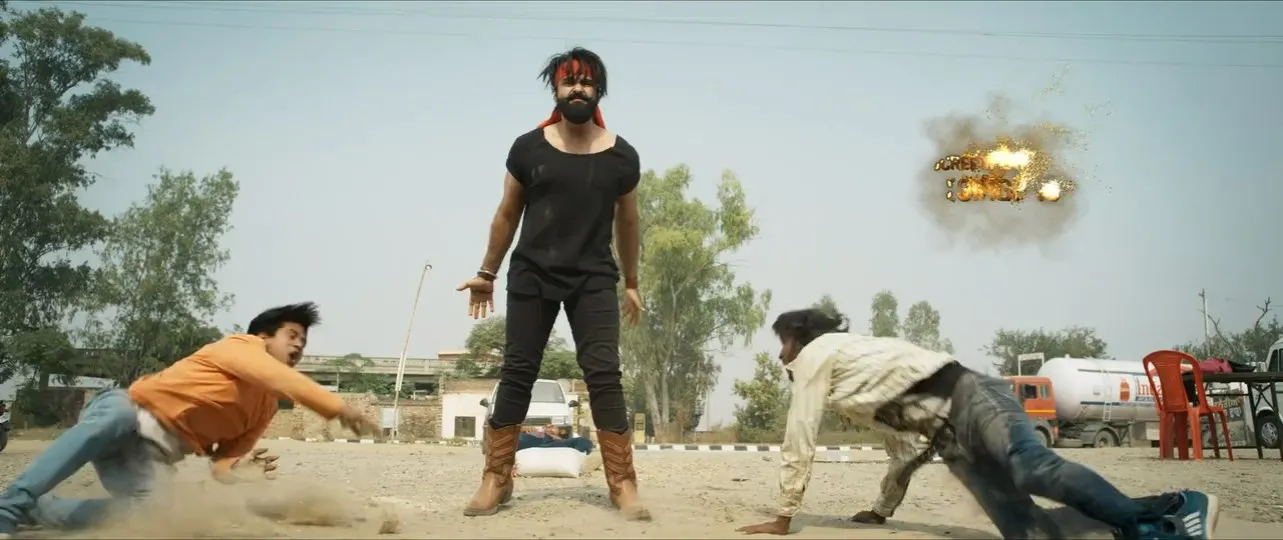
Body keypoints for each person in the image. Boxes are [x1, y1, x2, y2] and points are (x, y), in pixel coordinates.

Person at [735, 308, 1219, 540]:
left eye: (782, 344)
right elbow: (902, 448)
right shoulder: (854, 370)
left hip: (972, 399)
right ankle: (1162, 512)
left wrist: (783, 517)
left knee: (1030, 467)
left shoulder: (816, 356)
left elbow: (799, 434)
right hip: (952, 438)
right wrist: (881, 510)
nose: (780, 356)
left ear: (798, 337)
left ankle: (1161, 521)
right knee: (1026, 531)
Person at [455, 46, 648, 521]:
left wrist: (631, 281)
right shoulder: (528, 148)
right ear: (556, 89)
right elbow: (507, 213)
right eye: (569, 81)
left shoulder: (621, 156)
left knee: (604, 375)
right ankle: (495, 478)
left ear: (599, 90)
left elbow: (628, 222)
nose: (577, 88)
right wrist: (486, 273)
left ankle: (623, 482)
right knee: (518, 371)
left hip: (593, 279)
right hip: (532, 275)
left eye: (586, 81)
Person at [0, 302, 379, 538]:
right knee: (110, 418)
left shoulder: (266, 407)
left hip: (149, 460)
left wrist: (241, 470)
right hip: (128, 412)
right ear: (263, 337)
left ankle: (41, 510)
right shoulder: (238, 346)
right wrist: (337, 407)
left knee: (155, 516)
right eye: (292, 336)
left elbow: (221, 466)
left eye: (304, 343)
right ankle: (11, 505)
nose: (298, 346)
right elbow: (280, 378)